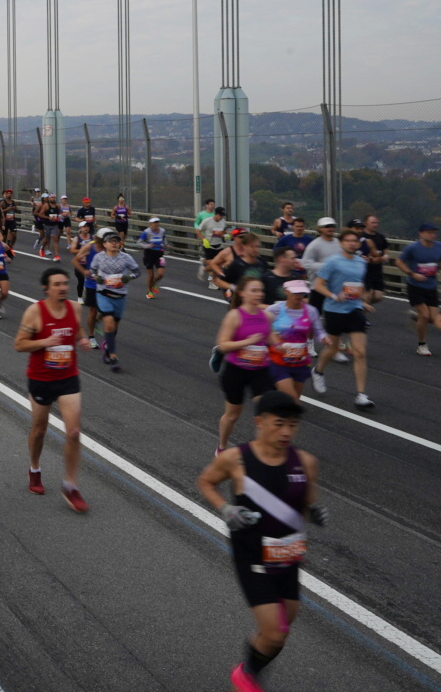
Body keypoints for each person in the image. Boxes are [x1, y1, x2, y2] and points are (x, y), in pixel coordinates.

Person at [196, 391, 324, 692]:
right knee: (275, 633)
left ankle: (248, 670)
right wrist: (226, 509)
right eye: (279, 424)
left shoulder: (305, 462)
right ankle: (246, 678)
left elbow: (305, 503)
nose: (286, 432)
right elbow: (205, 482)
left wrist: (313, 511)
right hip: (252, 556)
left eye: (293, 425)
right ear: (259, 422)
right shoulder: (236, 459)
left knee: (281, 629)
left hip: (289, 555)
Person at [14, 268, 88, 512]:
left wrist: (82, 339)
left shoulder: (75, 309)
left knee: (74, 432)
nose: (63, 288)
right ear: (46, 288)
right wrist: (44, 342)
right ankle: (34, 469)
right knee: (39, 430)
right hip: (41, 378)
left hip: (68, 377)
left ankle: (70, 485)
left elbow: (77, 330)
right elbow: (19, 344)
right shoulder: (35, 312)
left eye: (65, 284)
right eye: (57, 284)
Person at [310, 228, 373, 408]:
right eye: (348, 240)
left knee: (360, 352)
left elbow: (357, 286)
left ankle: (361, 395)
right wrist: (334, 296)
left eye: (355, 241)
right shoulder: (333, 262)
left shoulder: (361, 263)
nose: (352, 243)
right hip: (334, 311)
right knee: (332, 348)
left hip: (354, 310)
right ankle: (318, 371)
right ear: (341, 243)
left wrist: (362, 302)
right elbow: (318, 285)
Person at [214, 276, 277, 453]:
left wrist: (285, 344)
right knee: (233, 415)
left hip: (260, 370)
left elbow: (271, 338)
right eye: (254, 290)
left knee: (266, 411)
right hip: (236, 371)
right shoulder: (234, 316)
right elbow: (223, 345)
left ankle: (261, 451)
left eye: (261, 291)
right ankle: (222, 446)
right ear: (242, 293)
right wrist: (245, 342)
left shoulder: (266, 316)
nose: (259, 294)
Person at [88, 231, 141, 372]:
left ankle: (107, 348)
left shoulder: (126, 257)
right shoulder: (99, 257)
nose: (114, 243)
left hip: (120, 296)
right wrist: (96, 278)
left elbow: (137, 272)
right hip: (103, 293)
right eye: (111, 241)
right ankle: (113, 357)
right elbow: (92, 270)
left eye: (116, 241)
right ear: (104, 244)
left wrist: (129, 277)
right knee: (109, 323)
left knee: (114, 327)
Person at [266, 281, 323, 400]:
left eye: (302, 293)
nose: (299, 295)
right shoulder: (274, 309)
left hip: (300, 363)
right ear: (286, 292)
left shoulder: (310, 311)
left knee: (294, 400)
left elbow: (319, 330)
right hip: (278, 362)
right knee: (292, 401)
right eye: (295, 292)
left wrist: (324, 337)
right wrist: (275, 342)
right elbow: (263, 329)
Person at [394, 223, 441, 357]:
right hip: (415, 286)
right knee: (425, 315)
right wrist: (412, 274)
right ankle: (422, 345)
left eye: (433, 232)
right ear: (421, 233)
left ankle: (416, 317)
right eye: (428, 232)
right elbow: (398, 261)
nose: (431, 235)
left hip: (431, 286)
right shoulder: (413, 248)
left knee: (434, 318)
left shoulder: (438, 247)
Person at [138, 217, 167, 298]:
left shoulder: (162, 231)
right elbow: (139, 242)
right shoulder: (146, 232)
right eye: (154, 223)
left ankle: (153, 283)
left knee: (161, 274)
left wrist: (165, 244)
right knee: (151, 275)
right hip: (149, 254)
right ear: (150, 224)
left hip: (160, 254)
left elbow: (164, 239)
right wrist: (147, 246)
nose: (156, 224)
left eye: (157, 222)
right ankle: (149, 292)